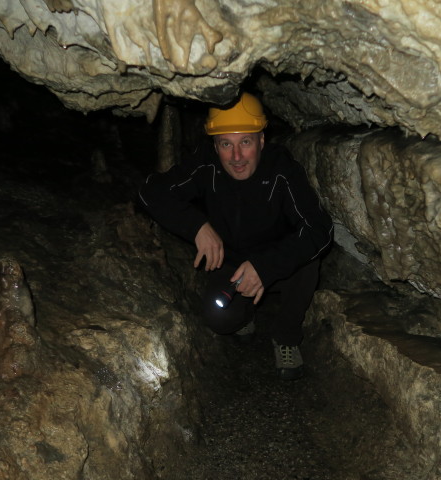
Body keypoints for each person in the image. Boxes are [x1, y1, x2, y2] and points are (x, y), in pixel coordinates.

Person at [139, 92, 333, 380]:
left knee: (308, 262)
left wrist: (266, 267)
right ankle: (245, 315)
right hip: (232, 265)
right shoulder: (206, 165)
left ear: (261, 141)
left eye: (245, 142)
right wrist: (196, 226)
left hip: (280, 263)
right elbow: (151, 191)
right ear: (215, 145)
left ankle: (286, 338)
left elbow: (319, 228)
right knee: (220, 318)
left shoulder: (282, 170)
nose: (237, 156)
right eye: (226, 144)